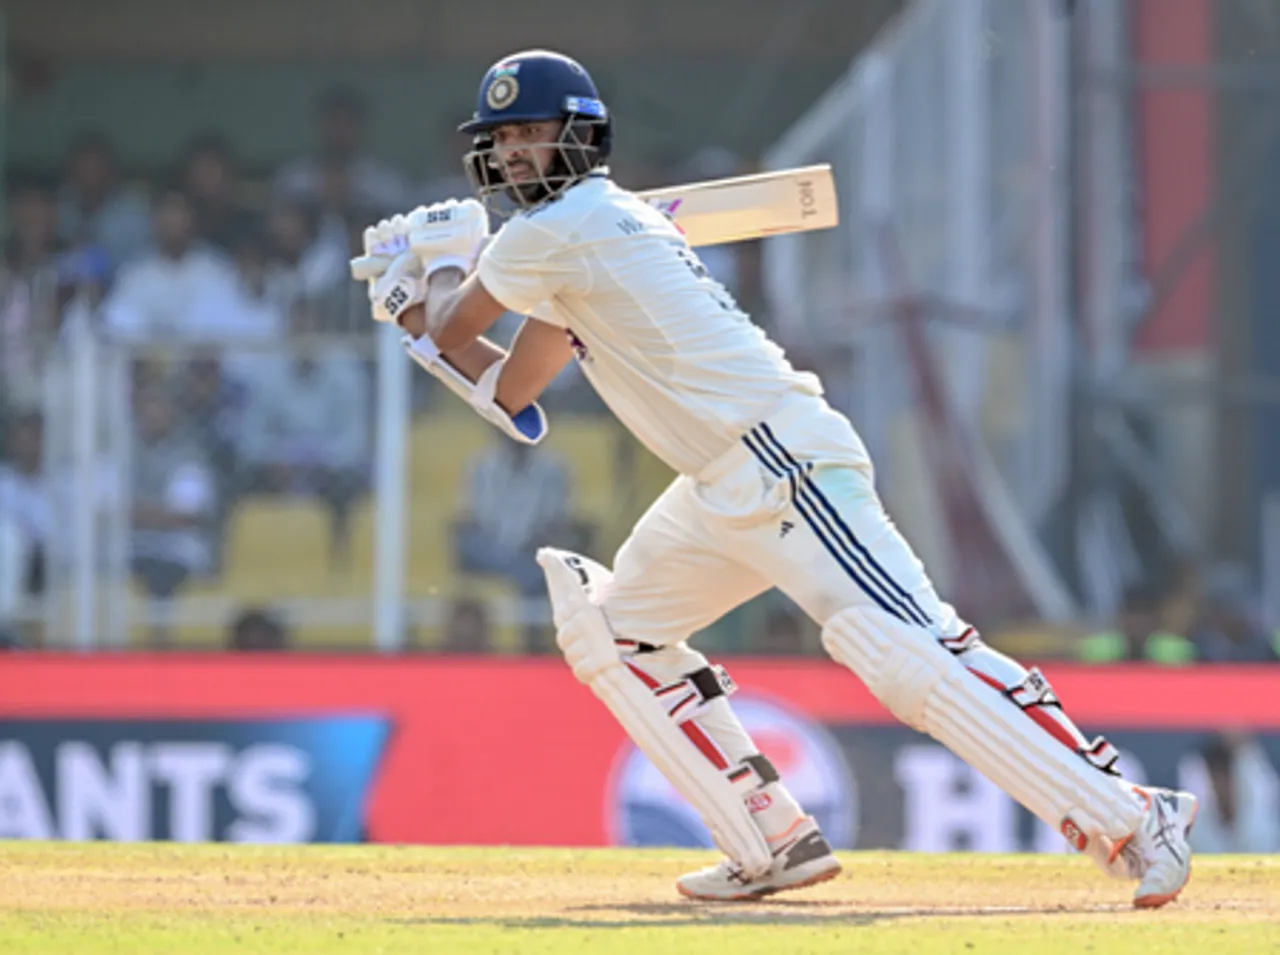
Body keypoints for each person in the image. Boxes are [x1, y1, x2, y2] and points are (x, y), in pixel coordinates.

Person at [355, 50, 1196, 907]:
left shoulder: (560, 230)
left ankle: (1135, 813)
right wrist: (415, 304)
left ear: (580, 136)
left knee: (909, 652)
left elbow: (456, 323)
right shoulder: (568, 241)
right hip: (718, 484)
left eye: (531, 132)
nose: (514, 152)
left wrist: (435, 273)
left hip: (782, 461)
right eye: (502, 138)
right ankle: (770, 839)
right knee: (615, 632)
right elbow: (512, 390)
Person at [1079, 583, 1196, 664]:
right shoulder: (1096, 651)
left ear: (1154, 619)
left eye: (1143, 615)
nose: (1137, 623)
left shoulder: (1177, 653)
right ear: (1122, 616)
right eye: (1132, 614)